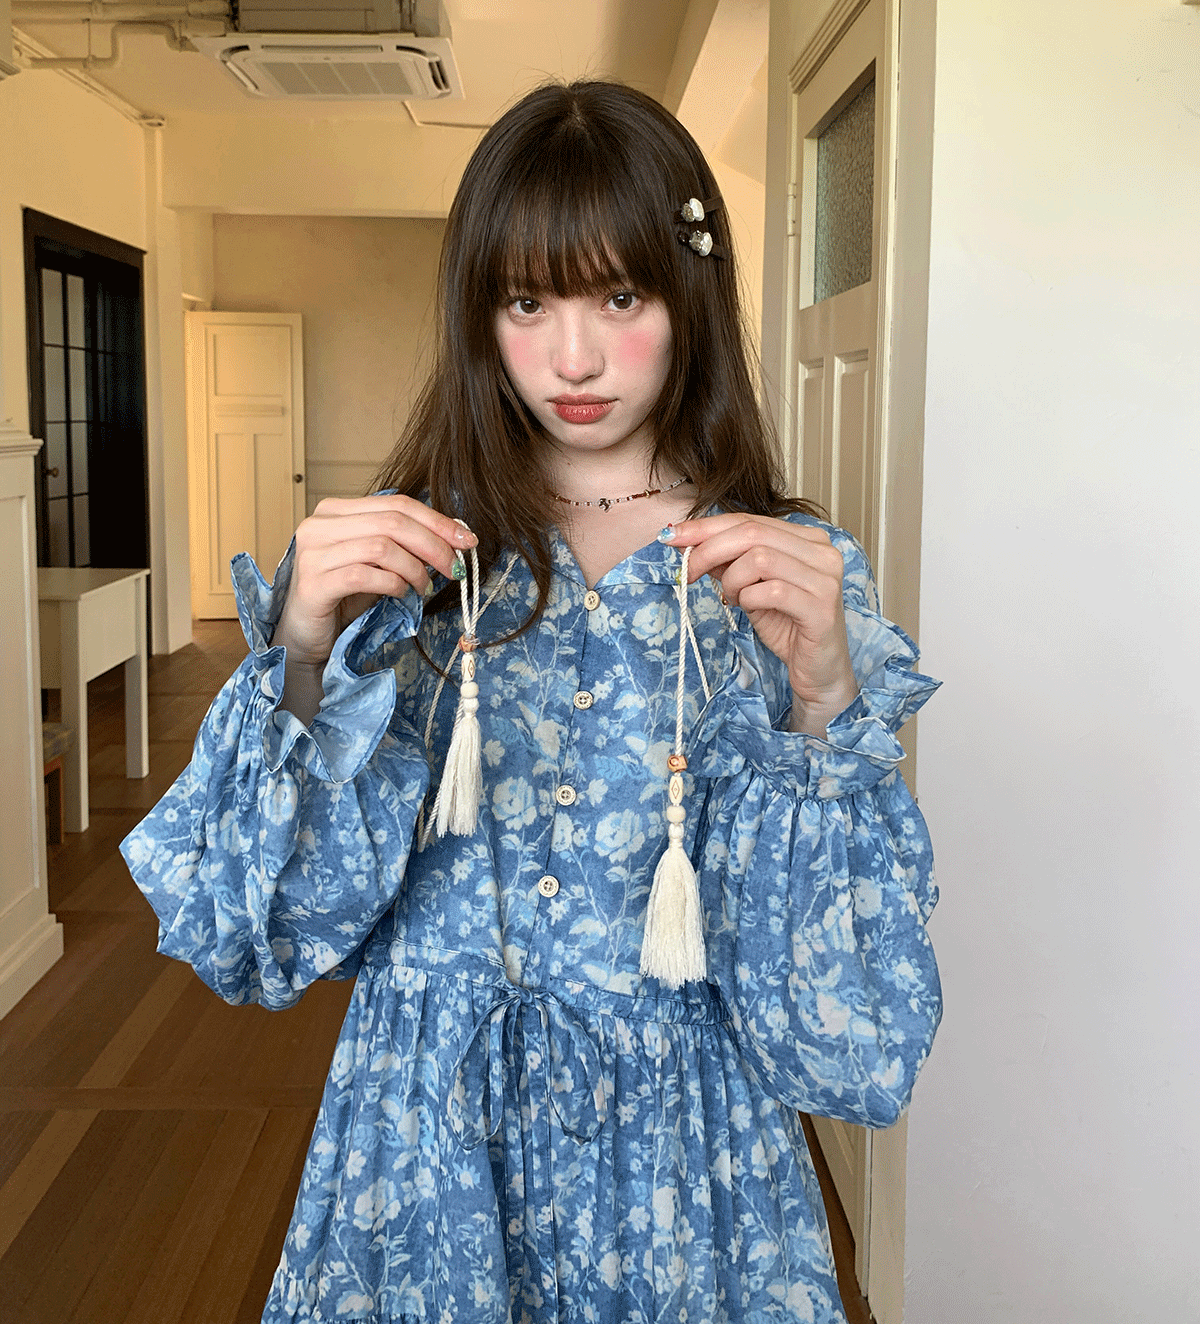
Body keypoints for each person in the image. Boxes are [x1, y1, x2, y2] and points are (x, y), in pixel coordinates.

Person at [121, 79, 941, 1324]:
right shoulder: (409, 571)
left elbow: (842, 1035)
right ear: (480, 314)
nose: (574, 358)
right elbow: (261, 935)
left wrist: (824, 698)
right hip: (429, 1157)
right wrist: (301, 651)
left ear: (690, 295)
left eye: (621, 297)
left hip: (680, 1171)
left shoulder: (785, 572)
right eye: (528, 302)